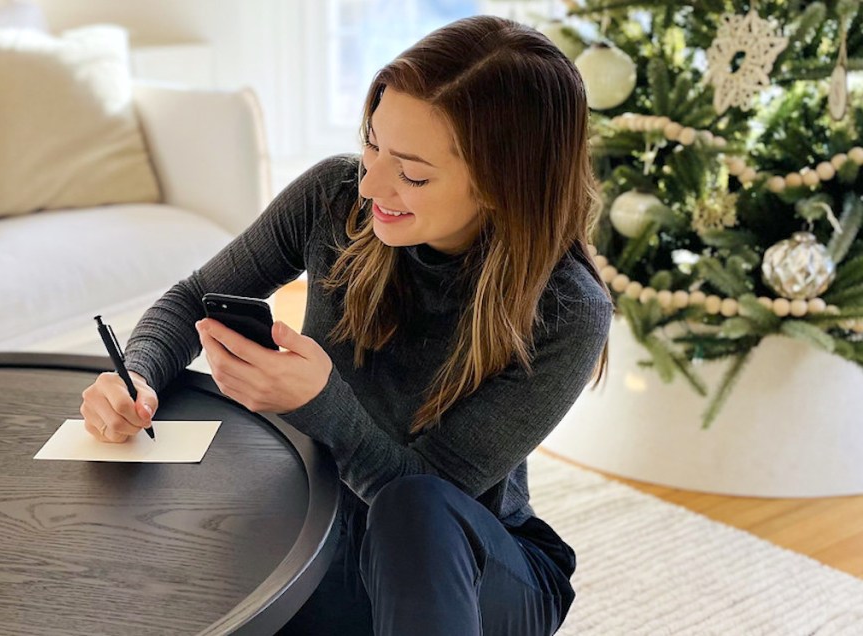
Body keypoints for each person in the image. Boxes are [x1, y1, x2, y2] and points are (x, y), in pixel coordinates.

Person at [79, 14, 613, 636]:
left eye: (412, 172)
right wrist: (135, 375)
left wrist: (319, 404)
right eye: (372, 143)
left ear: (504, 184)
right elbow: (195, 296)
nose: (372, 182)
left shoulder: (566, 309)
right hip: (321, 523)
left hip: (465, 564)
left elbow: (428, 502)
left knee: (413, 512)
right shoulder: (334, 197)